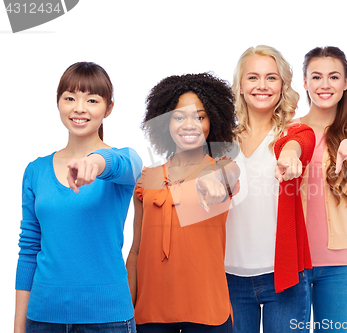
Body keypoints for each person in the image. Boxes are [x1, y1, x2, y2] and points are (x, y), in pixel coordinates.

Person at [14, 62, 142, 333]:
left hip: (108, 319)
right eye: (70, 98)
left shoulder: (124, 161)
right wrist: (18, 326)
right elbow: (29, 251)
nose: (79, 108)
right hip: (43, 317)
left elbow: (123, 164)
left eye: (92, 100)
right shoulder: (35, 170)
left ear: (109, 108)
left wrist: (94, 163)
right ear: (58, 102)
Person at [126, 73, 240, 333]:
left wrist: (216, 180)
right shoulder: (147, 178)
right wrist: (126, 308)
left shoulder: (222, 169)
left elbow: (231, 175)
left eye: (200, 117)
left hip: (208, 314)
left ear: (213, 121)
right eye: (179, 117)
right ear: (166, 122)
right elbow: (136, 251)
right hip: (151, 315)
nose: (190, 125)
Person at [224, 45, 315, 333]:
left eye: (271, 78)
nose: (262, 85)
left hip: (284, 277)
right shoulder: (221, 139)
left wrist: (289, 155)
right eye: (253, 77)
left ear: (283, 85)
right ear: (239, 86)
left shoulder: (295, 132)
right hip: (227, 276)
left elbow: (298, 144)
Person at [299, 46, 347, 332]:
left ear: (345, 84)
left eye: (334, 77)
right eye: (316, 77)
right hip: (293, 262)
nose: (325, 85)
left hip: (340, 267)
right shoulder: (287, 132)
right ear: (305, 83)